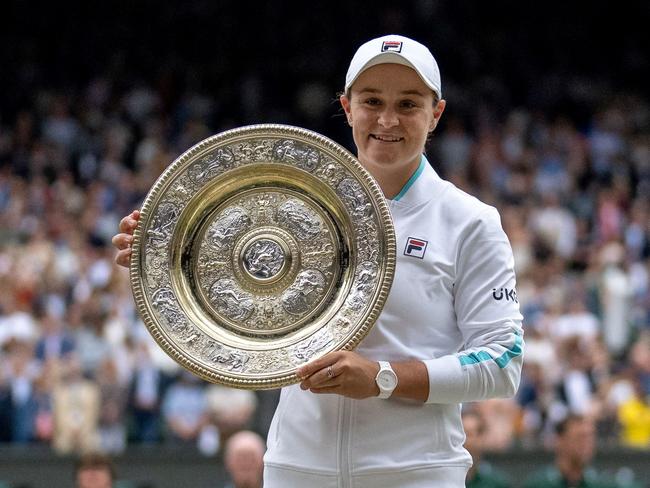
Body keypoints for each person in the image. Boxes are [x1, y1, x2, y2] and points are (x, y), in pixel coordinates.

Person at [113, 34, 524, 487]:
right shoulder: (291, 201)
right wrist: (166, 257)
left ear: (436, 114)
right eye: (372, 101)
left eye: (408, 104)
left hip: (415, 472)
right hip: (296, 466)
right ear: (347, 108)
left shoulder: (470, 222)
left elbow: (502, 361)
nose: (387, 119)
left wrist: (382, 378)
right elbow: (244, 293)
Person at [523, 414, 638, 488]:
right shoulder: (539, 484)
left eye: (590, 438)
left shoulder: (602, 483)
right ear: (560, 440)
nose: (586, 444)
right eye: (579, 437)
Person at [462, 409, 512, 487]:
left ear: (482, 437)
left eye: (470, 434)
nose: (466, 441)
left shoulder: (497, 482)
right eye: (463, 434)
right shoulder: (443, 479)